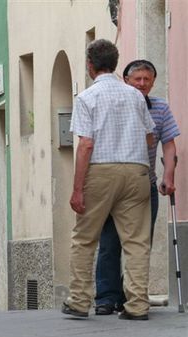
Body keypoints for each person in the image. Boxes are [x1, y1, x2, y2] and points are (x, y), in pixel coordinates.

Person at [62, 39, 156, 321]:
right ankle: (137, 305)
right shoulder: (136, 96)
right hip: (136, 169)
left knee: (85, 238)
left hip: (101, 171)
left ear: (90, 65)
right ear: (115, 64)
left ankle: (79, 300)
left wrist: (78, 188)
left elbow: (86, 145)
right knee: (137, 242)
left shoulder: (87, 98)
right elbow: (150, 136)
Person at [94, 60, 180, 316]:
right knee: (110, 242)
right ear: (126, 80)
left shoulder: (161, 107)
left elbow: (169, 145)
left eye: (147, 79)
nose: (142, 84)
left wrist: (169, 175)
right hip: (111, 185)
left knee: (140, 244)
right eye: (137, 79)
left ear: (153, 81)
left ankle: (130, 296)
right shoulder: (117, 104)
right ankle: (107, 297)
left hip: (145, 184)